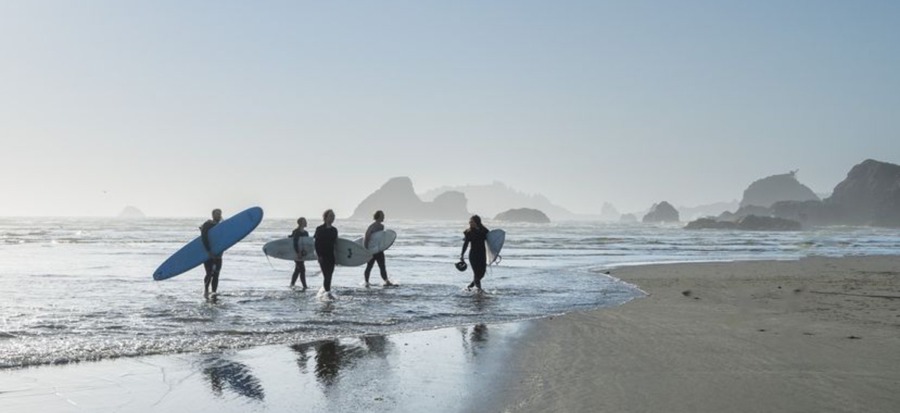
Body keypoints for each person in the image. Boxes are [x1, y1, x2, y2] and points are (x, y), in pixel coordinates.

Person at [460, 214, 489, 292]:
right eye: (470, 222)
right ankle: (479, 291)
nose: (470, 223)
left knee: (482, 274)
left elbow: (491, 242)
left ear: (477, 222)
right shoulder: (468, 232)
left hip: (482, 254)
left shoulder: (484, 231)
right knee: (476, 273)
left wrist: (494, 253)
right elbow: (465, 244)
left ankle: (470, 286)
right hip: (473, 255)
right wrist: (462, 255)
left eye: (472, 222)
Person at [363, 210, 393, 286]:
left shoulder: (382, 226)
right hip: (372, 250)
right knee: (370, 266)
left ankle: (386, 281)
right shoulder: (372, 226)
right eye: (382, 215)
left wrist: (384, 247)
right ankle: (366, 282)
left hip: (378, 250)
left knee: (381, 266)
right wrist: (366, 250)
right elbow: (367, 237)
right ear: (378, 216)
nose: (384, 217)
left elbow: (380, 239)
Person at [314, 209, 338, 298]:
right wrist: (319, 256)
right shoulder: (319, 229)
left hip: (331, 256)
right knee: (326, 275)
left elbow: (335, 245)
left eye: (333, 216)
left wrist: (337, 257)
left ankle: (326, 293)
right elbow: (316, 243)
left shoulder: (334, 230)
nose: (332, 218)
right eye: (331, 216)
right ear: (326, 217)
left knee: (329, 275)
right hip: (322, 256)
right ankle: (327, 294)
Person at [201, 208, 223, 297]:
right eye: (217, 213)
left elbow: (225, 239)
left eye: (220, 213)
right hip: (208, 255)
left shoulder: (222, 226)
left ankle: (214, 292)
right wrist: (208, 251)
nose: (218, 215)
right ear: (212, 215)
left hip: (219, 255)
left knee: (216, 274)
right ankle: (206, 291)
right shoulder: (207, 224)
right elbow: (204, 238)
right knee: (209, 273)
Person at [290, 217, 309, 289]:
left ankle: (292, 284)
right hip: (296, 253)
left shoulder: (306, 233)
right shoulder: (296, 232)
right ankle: (305, 286)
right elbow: (295, 243)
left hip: (303, 254)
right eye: (304, 221)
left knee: (297, 270)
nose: (306, 222)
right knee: (302, 269)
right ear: (300, 223)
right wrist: (298, 253)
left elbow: (307, 244)